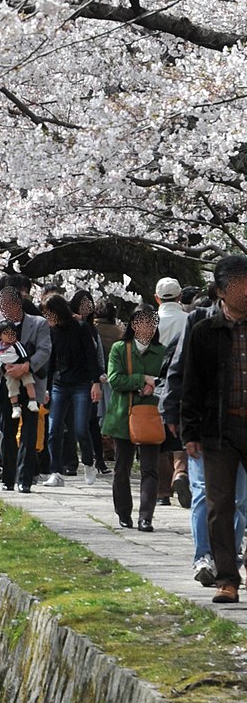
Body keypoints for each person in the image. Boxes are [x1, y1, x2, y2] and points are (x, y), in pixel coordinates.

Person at [182, 253, 247, 603]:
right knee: (220, 504)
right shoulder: (204, 331)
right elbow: (192, 384)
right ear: (222, 291)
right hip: (219, 428)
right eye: (240, 285)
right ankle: (227, 579)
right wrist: (190, 432)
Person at [103, 305, 166, 531]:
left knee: (150, 468)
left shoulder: (162, 351)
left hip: (150, 415)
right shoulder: (120, 349)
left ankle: (146, 516)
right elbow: (115, 380)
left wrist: (154, 385)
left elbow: (167, 381)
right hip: (123, 414)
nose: (146, 327)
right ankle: (123, 512)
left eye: (151, 322)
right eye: (141, 321)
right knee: (122, 467)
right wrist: (143, 379)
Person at [0, 284, 51, 492]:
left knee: (29, 432)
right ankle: (8, 477)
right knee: (7, 431)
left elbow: (45, 349)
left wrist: (26, 366)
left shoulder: (38, 324)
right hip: (6, 383)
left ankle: (25, 479)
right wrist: (4, 367)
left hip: (31, 382)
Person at [42, 294, 104, 486]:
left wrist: (96, 382)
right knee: (54, 429)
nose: (46, 318)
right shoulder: (52, 331)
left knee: (80, 428)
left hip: (81, 383)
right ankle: (56, 472)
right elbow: (51, 362)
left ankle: (88, 463)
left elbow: (91, 356)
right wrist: (46, 387)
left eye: (48, 313)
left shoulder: (81, 328)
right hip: (59, 383)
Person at [154, 275, 191, 509]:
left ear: (156, 299)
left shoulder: (150, 321)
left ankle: (162, 492)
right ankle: (181, 473)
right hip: (184, 382)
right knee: (180, 433)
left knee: (158, 437)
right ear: (179, 297)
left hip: (156, 383)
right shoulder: (189, 320)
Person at [69, 290, 109, 475]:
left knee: (92, 422)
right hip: (71, 381)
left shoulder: (92, 329)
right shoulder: (67, 327)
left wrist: (98, 377)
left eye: (89, 304)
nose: (86, 308)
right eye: (82, 304)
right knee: (75, 424)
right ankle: (74, 461)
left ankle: (99, 460)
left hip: (89, 380)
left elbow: (98, 354)